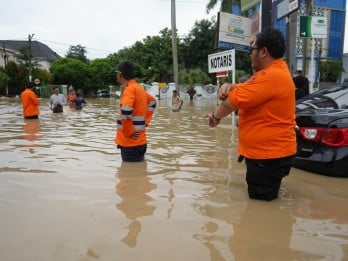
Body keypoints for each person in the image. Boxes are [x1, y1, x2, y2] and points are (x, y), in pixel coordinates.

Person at [207, 28, 296, 201]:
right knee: (265, 206)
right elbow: (245, 89)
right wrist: (230, 86)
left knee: (262, 210)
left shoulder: (271, 76)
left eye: (252, 50)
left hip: (267, 157)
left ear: (263, 52)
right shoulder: (274, 73)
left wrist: (215, 117)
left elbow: (230, 103)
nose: (250, 55)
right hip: (268, 155)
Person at [115, 60, 157, 162]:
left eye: (116, 73)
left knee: (129, 176)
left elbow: (125, 111)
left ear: (120, 74)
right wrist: (145, 122)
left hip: (130, 143)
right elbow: (152, 102)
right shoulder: (139, 88)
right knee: (138, 174)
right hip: (140, 142)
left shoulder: (129, 89)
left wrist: (129, 131)